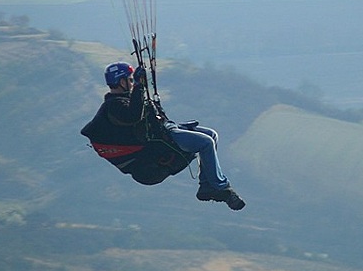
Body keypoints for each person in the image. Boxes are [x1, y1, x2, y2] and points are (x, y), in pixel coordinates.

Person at [81, 61, 245, 211]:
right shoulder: (114, 105)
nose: (131, 83)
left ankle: (206, 186)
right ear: (121, 82)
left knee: (211, 134)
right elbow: (132, 116)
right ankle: (221, 187)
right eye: (129, 80)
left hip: (168, 130)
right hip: (162, 140)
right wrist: (139, 86)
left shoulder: (127, 99)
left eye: (132, 80)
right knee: (205, 142)